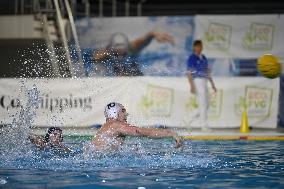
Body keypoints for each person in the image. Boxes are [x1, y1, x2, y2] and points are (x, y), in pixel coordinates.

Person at [91, 102, 183, 151]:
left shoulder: (108, 127)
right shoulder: (115, 125)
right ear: (114, 113)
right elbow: (140, 131)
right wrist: (170, 133)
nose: (126, 114)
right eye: (123, 111)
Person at [93, 31, 174, 76]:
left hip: (135, 73)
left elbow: (150, 34)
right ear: (113, 48)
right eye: (118, 50)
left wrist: (157, 34)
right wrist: (100, 57)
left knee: (133, 72)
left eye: (123, 49)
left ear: (127, 46)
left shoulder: (134, 46)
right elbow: (94, 59)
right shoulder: (107, 51)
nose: (121, 52)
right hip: (118, 76)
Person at [187, 40, 217, 132]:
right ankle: (204, 125)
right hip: (197, 81)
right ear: (194, 47)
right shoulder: (192, 58)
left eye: (201, 46)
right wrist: (191, 85)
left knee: (206, 104)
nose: (199, 48)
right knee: (203, 103)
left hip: (204, 81)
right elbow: (189, 72)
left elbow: (207, 71)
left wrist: (212, 84)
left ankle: (187, 119)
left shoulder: (203, 57)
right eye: (198, 46)